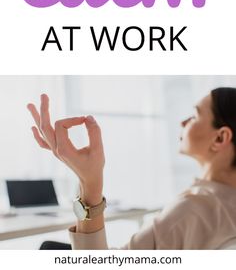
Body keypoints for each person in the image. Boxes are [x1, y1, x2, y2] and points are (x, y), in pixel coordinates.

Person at [27, 87, 236, 249]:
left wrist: (89, 183)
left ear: (220, 138)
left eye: (195, 115)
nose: (183, 122)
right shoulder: (222, 204)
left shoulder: (193, 210)